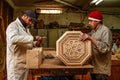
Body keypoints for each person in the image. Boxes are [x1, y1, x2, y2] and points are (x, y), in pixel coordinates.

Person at [6, 10, 43, 80]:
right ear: (25, 16)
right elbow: (13, 39)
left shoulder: (26, 29)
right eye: (30, 20)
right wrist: (33, 38)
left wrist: (36, 43)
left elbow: (26, 41)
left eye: (32, 21)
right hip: (16, 65)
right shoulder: (13, 26)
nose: (31, 23)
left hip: (25, 63)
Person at [80, 10, 112, 80]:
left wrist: (90, 38)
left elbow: (105, 48)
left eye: (91, 21)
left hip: (101, 69)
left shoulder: (105, 31)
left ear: (97, 21)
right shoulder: (93, 31)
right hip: (94, 67)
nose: (89, 23)